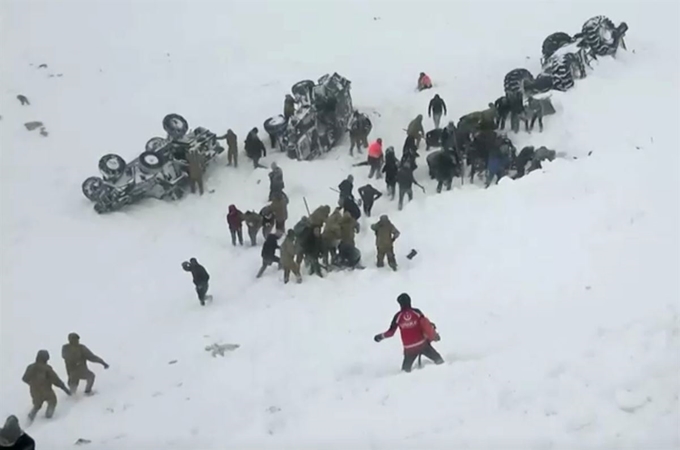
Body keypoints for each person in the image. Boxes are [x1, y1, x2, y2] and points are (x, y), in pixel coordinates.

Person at [373, 293, 444, 373]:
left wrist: (380, 337)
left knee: (405, 372)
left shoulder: (398, 316)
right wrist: (433, 334)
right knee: (439, 361)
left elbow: (391, 333)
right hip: (423, 345)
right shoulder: (416, 312)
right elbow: (425, 325)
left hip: (409, 349)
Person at [22, 350, 70, 421]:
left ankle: (30, 417)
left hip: (34, 391)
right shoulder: (47, 369)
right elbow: (56, 380)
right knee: (52, 401)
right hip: (46, 391)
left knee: (37, 405)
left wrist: (32, 384)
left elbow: (24, 378)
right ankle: (48, 417)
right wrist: (65, 389)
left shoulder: (30, 367)